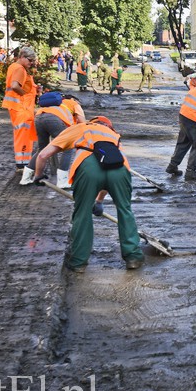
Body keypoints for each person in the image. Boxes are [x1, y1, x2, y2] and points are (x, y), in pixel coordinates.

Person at [33, 116, 145, 273]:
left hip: (88, 167)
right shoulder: (113, 135)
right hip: (119, 169)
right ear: (108, 125)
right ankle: (133, 257)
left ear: (92, 122)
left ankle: (78, 262)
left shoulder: (81, 127)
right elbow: (107, 167)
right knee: (125, 210)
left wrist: (38, 175)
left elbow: (43, 155)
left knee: (82, 213)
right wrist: (99, 201)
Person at [21, 92, 84, 188]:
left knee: (42, 149)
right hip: (53, 120)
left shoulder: (56, 104)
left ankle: (25, 178)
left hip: (38, 117)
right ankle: (62, 181)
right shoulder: (74, 103)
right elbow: (82, 122)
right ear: (74, 99)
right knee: (68, 148)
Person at [1, 46, 39, 171]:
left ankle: (22, 162)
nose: (31, 63)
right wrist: (24, 95)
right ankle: (22, 163)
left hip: (18, 107)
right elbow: (15, 86)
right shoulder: (19, 69)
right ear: (22, 57)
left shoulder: (14, 67)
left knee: (22, 134)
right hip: (21, 107)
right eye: (30, 60)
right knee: (24, 135)